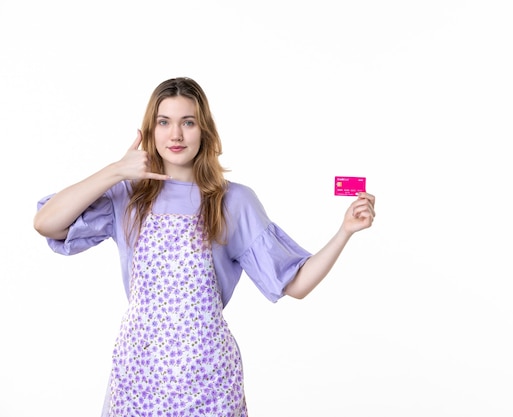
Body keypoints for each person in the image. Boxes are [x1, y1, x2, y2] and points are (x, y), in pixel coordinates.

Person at [33, 77, 376, 417]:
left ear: (205, 131)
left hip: (208, 380)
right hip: (139, 374)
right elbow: (47, 222)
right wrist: (115, 171)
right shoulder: (128, 196)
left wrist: (344, 231)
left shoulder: (233, 201)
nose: (176, 135)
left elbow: (295, 284)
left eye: (188, 122)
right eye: (164, 122)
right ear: (150, 131)